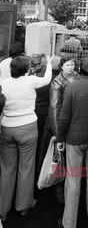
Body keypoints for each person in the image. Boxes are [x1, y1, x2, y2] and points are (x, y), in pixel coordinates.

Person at [0, 55, 52, 222]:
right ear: (27, 69)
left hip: (7, 127)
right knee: (26, 167)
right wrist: (49, 63)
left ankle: (2, 209)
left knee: (7, 169)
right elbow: (47, 79)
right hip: (28, 128)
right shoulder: (31, 81)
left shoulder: (4, 83)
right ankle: (24, 205)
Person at [57, 57, 88, 228]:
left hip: (74, 139)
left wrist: (61, 138)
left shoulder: (72, 86)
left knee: (73, 179)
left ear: (80, 68)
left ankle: (69, 222)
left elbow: (64, 117)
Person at [47, 54, 80, 203]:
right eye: (68, 65)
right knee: (60, 158)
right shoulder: (56, 82)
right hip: (62, 124)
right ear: (61, 67)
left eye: (72, 64)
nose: (71, 67)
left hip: (75, 122)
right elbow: (54, 108)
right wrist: (57, 133)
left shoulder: (77, 77)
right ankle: (59, 190)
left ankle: (71, 188)